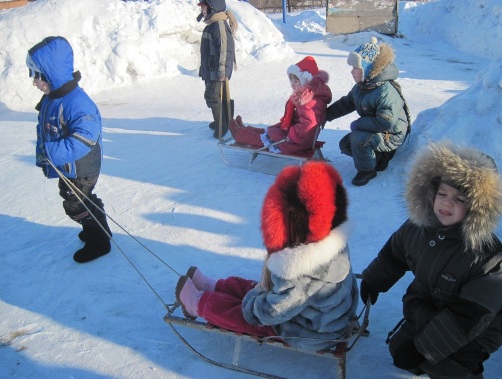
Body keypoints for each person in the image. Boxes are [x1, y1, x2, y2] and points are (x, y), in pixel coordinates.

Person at [175, 161, 359, 351]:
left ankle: (196, 304)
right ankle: (213, 286)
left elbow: (271, 312)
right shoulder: (332, 242)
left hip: (307, 332)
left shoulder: (299, 272)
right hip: (328, 318)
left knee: (244, 314)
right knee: (256, 288)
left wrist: (252, 303)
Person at [360, 142, 502, 378]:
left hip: (478, 326)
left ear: (478, 207)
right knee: (399, 349)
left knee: (447, 366)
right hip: (429, 306)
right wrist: (374, 280)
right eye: (442, 194)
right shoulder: (418, 228)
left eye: (459, 199)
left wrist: (423, 349)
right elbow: (394, 254)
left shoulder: (486, 255)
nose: (446, 203)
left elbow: (469, 315)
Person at [27, 36, 112, 264]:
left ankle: (99, 242)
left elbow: (84, 139)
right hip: (69, 166)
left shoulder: (77, 103)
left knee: (75, 204)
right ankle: (97, 226)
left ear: (52, 74)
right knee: (80, 200)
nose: (34, 82)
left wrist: (51, 153)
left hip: (82, 166)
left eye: (37, 76)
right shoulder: (53, 98)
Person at [324, 37, 410, 186]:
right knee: (346, 145)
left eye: (355, 68)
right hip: (377, 129)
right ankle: (379, 157)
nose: (352, 72)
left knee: (359, 139)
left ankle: (367, 171)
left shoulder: (385, 91)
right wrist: (325, 115)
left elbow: (386, 121)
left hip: (392, 133)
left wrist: (358, 124)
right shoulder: (362, 86)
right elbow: (347, 103)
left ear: (368, 68)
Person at [229, 56, 331, 155]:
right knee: (273, 130)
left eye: (296, 81)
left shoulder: (306, 100)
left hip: (296, 142)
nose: (292, 84)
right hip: (302, 138)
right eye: (291, 80)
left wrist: (292, 135)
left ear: (306, 80)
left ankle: (240, 135)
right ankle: (246, 130)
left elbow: (309, 123)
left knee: (269, 137)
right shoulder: (312, 95)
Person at [197, 0, 238, 139]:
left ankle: (222, 126)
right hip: (211, 69)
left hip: (217, 71)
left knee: (213, 96)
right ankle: (222, 122)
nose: (201, 10)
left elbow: (225, 50)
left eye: (203, 7)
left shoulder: (218, 25)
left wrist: (223, 71)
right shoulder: (213, 24)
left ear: (211, 8)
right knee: (216, 95)